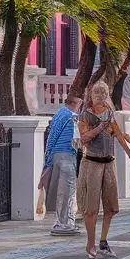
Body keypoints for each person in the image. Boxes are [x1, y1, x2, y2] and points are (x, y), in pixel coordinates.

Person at [77, 81, 120, 259]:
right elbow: (83, 138)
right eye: (97, 91)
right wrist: (99, 127)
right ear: (91, 94)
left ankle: (103, 241)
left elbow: (115, 133)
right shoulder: (86, 114)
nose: (100, 94)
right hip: (92, 164)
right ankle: (90, 243)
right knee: (90, 207)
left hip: (109, 162)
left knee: (111, 206)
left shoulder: (110, 112)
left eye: (103, 91)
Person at [42, 93, 83, 235]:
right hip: (66, 156)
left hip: (58, 156)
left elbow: (52, 137)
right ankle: (63, 224)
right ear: (75, 103)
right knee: (67, 192)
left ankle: (64, 222)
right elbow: (75, 140)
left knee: (63, 191)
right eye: (79, 104)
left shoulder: (59, 114)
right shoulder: (70, 117)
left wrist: (48, 160)